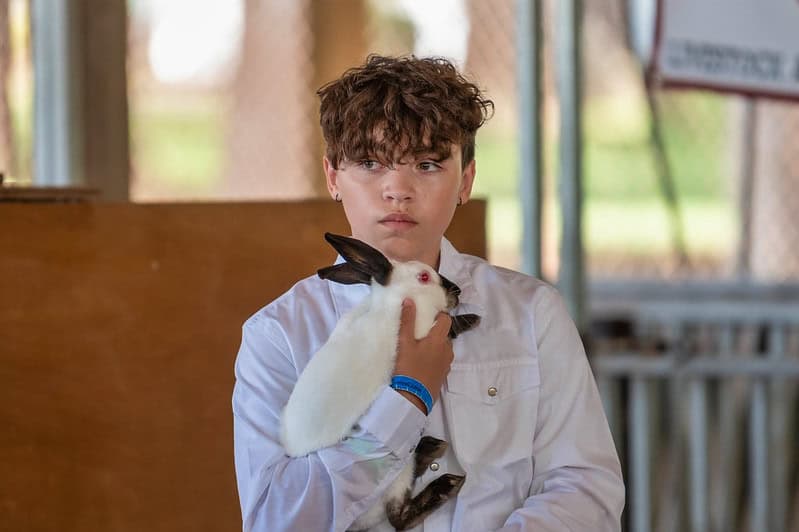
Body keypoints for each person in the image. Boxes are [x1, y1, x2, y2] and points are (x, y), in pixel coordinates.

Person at [232, 54, 624, 531]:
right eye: (370, 163)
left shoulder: (530, 313)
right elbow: (275, 520)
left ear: (466, 180)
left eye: (427, 164)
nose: (398, 189)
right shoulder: (280, 335)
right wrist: (406, 398)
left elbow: (585, 488)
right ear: (333, 177)